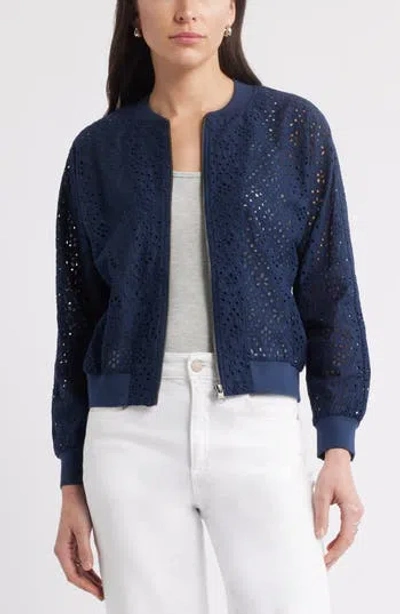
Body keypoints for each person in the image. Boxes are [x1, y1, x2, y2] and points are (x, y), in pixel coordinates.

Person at [51, 1, 371, 613]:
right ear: (135, 16)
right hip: (128, 438)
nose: (185, 11)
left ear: (231, 12)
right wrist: (71, 478)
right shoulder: (97, 151)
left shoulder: (292, 129)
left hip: (259, 427)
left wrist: (337, 445)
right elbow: (78, 321)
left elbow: (332, 293)